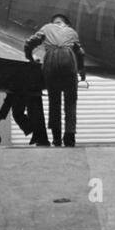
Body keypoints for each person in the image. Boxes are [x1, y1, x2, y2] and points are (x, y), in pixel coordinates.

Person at [24, 13, 86, 147]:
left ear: (53, 22)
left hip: (51, 62)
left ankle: (56, 138)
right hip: (69, 61)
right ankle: (70, 137)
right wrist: (81, 70)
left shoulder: (46, 28)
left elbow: (30, 42)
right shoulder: (72, 32)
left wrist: (29, 56)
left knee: (54, 102)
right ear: (66, 23)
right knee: (70, 103)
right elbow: (80, 53)